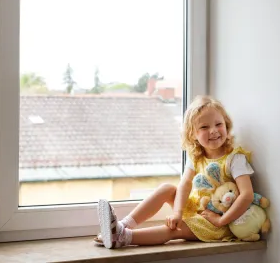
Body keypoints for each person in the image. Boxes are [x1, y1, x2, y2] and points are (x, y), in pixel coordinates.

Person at [96, 95, 255, 249]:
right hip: (197, 209)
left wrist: (221, 221)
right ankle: (122, 226)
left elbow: (247, 195)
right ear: (193, 133)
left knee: (173, 230)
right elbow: (185, 184)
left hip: (217, 222)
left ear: (226, 125)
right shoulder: (196, 156)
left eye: (218, 124)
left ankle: (123, 237)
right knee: (167, 188)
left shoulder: (234, 159)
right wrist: (177, 213)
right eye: (204, 127)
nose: (213, 131)